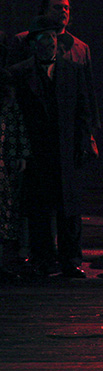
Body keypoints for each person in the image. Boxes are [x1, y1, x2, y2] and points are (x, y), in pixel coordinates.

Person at [9, 16, 98, 279]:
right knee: (39, 207)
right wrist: (21, 150)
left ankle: (71, 259)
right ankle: (44, 259)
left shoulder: (72, 70)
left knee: (69, 207)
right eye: (43, 40)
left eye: (52, 40)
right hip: (36, 151)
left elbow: (83, 109)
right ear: (33, 44)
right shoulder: (20, 73)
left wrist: (85, 141)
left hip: (66, 148)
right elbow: (15, 114)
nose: (49, 45)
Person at [0, 68, 28, 281]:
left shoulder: (10, 107)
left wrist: (21, 154)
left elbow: (19, 128)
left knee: (6, 212)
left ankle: (4, 262)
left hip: (5, 165)